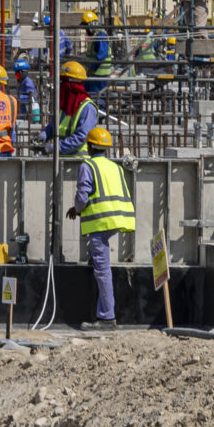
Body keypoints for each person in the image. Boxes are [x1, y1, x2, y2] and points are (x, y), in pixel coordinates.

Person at [67, 125, 135, 329]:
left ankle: (107, 317)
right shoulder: (114, 166)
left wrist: (77, 209)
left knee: (102, 270)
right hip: (118, 219)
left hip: (101, 221)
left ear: (89, 147)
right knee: (99, 261)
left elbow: (83, 196)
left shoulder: (88, 165)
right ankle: (105, 312)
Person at [45, 61, 101, 155]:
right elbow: (54, 126)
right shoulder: (64, 106)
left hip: (78, 162)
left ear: (72, 85)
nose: (60, 87)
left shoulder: (87, 108)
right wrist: (44, 134)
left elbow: (81, 137)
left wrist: (52, 148)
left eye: (63, 83)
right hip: (62, 161)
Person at [79, 10, 113, 85]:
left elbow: (102, 54)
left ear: (92, 25)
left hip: (99, 77)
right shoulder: (96, 36)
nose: (86, 31)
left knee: (96, 96)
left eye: (86, 28)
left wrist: (92, 68)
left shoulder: (101, 35)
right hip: (94, 75)